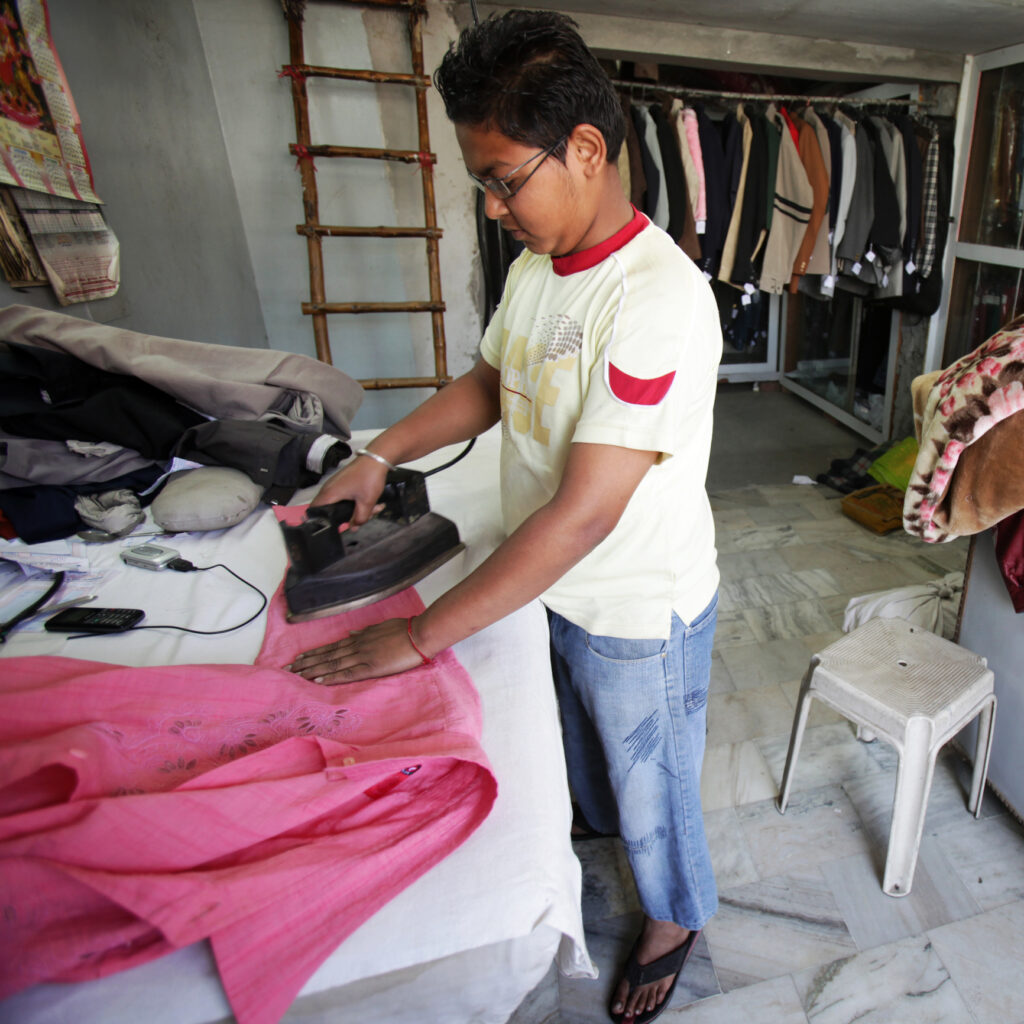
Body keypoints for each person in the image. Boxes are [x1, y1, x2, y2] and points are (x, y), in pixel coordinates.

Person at [289, 10, 722, 1023]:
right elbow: (491, 381)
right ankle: (595, 830)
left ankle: (674, 914)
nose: (490, 207)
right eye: (481, 181)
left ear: (584, 150)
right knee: (581, 754)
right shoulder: (539, 266)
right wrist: (377, 452)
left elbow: (581, 515)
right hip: (549, 583)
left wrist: (417, 635)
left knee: (651, 782)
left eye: (500, 178)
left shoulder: (653, 300)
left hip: (630, 604)